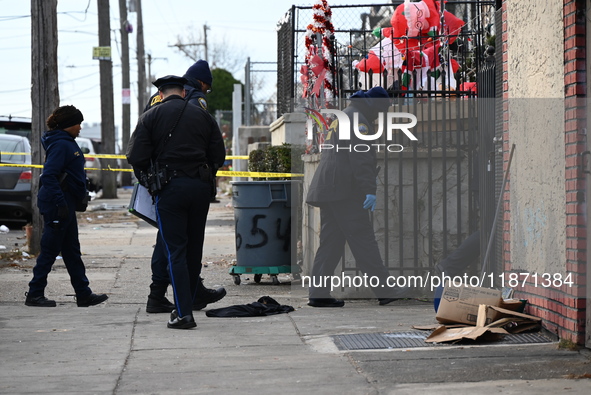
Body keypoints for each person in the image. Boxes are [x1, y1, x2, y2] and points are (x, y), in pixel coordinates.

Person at [127, 75, 226, 329]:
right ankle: (190, 301)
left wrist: (150, 184)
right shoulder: (202, 115)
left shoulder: (150, 116)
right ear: (184, 92)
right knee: (194, 250)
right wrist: (205, 176)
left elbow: (136, 156)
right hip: (199, 188)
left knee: (175, 251)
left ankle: (184, 314)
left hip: (169, 189)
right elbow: (218, 154)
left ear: (160, 94)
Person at [305, 87, 407, 307]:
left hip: (330, 188)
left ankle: (318, 294)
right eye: (380, 112)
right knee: (363, 240)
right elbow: (361, 158)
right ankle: (386, 290)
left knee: (330, 243)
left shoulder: (344, 115)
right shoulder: (359, 120)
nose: (379, 117)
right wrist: (370, 189)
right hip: (345, 191)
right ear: (374, 106)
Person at [25, 105, 108, 308]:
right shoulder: (62, 145)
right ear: (67, 125)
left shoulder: (65, 142)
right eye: (77, 123)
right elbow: (50, 175)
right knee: (50, 250)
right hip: (58, 205)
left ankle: (83, 294)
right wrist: (61, 203)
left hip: (66, 204)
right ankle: (34, 294)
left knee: (71, 251)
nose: (80, 127)